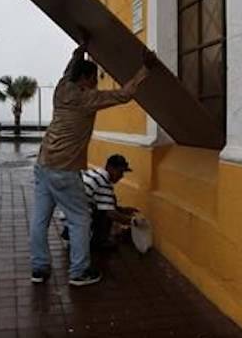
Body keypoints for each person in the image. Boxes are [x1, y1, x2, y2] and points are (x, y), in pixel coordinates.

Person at [30, 41, 156, 287]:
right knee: (80, 219)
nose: (97, 82)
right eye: (94, 77)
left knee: (40, 219)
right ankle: (79, 272)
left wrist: (80, 51)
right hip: (65, 170)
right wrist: (145, 69)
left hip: (43, 165)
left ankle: (39, 267)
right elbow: (124, 94)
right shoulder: (88, 98)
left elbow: (69, 70)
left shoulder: (61, 88)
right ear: (86, 79)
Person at [61, 154, 138, 251]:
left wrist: (123, 210)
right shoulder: (104, 182)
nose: (121, 176)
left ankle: (76, 236)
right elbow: (110, 213)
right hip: (76, 221)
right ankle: (97, 241)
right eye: (120, 171)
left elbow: (104, 203)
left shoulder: (95, 173)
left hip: (68, 217)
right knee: (106, 210)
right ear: (110, 168)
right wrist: (133, 221)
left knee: (107, 204)